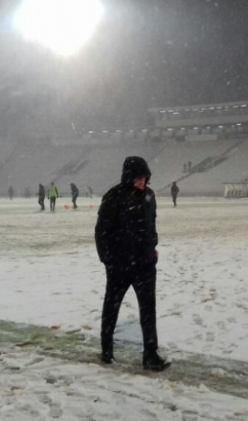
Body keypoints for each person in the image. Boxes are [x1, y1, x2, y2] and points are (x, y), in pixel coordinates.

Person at [95, 156, 169, 371]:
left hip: (145, 264)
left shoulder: (149, 196)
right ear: (128, 176)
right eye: (138, 176)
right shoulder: (114, 197)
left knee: (148, 310)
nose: (142, 180)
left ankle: (150, 355)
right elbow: (101, 231)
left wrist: (152, 247)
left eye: (144, 176)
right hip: (120, 266)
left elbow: (150, 226)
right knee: (112, 306)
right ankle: (106, 350)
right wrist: (108, 260)